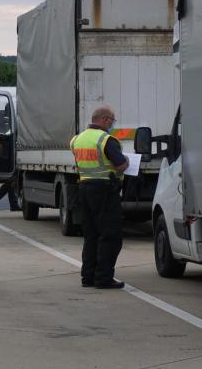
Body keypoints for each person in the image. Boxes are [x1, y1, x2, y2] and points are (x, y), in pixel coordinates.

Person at [70, 106, 129, 289]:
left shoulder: (77, 139)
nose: (113, 124)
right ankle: (103, 278)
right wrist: (127, 162)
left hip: (84, 187)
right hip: (104, 190)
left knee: (91, 235)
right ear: (104, 119)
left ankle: (88, 277)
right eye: (112, 120)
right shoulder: (106, 140)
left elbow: (79, 163)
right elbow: (120, 165)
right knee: (110, 235)